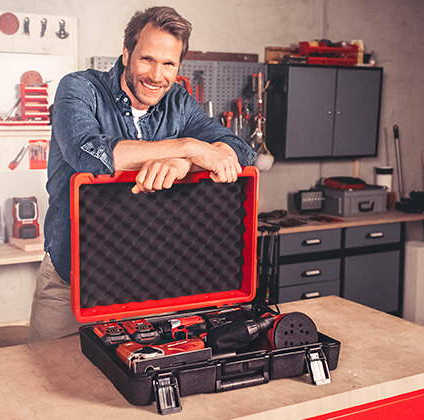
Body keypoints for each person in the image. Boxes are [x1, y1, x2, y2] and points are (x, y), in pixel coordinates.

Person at [28, 6, 256, 342]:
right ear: (126, 53)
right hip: (69, 283)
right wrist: (190, 147)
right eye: (147, 59)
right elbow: (87, 153)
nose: (157, 75)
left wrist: (183, 164)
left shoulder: (178, 101)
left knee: (132, 386)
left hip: (148, 282)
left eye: (169, 64)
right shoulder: (79, 89)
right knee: (47, 383)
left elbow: (240, 150)